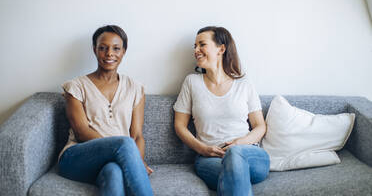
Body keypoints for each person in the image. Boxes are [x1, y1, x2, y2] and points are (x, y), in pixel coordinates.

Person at [58, 25, 153, 196]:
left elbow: (137, 135)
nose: (109, 53)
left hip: (113, 161)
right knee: (124, 143)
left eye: (116, 48)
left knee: (113, 173)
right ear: (95, 50)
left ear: (123, 51)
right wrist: (130, 158)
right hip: (76, 158)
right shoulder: (76, 87)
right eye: (103, 48)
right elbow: (81, 132)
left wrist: (132, 159)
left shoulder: (135, 88)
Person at [174, 26, 270, 196]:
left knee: (234, 158)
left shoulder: (244, 83)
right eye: (194, 46)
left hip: (250, 154)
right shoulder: (191, 82)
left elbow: (260, 126)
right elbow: (179, 126)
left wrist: (239, 144)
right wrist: (203, 149)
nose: (196, 50)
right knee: (233, 173)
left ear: (221, 49)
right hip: (210, 160)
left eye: (202, 44)